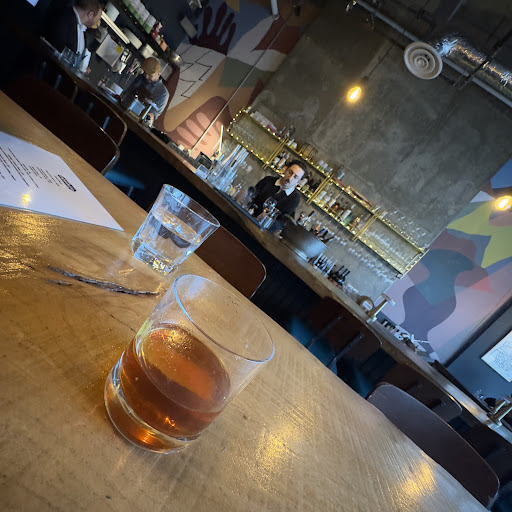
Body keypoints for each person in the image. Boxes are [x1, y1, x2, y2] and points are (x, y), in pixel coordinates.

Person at [122, 57, 170, 124]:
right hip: (124, 110)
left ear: (158, 74)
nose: (146, 77)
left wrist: (146, 116)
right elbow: (127, 92)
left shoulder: (163, 93)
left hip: (138, 122)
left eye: (150, 75)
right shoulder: (140, 78)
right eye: (145, 73)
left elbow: (153, 114)